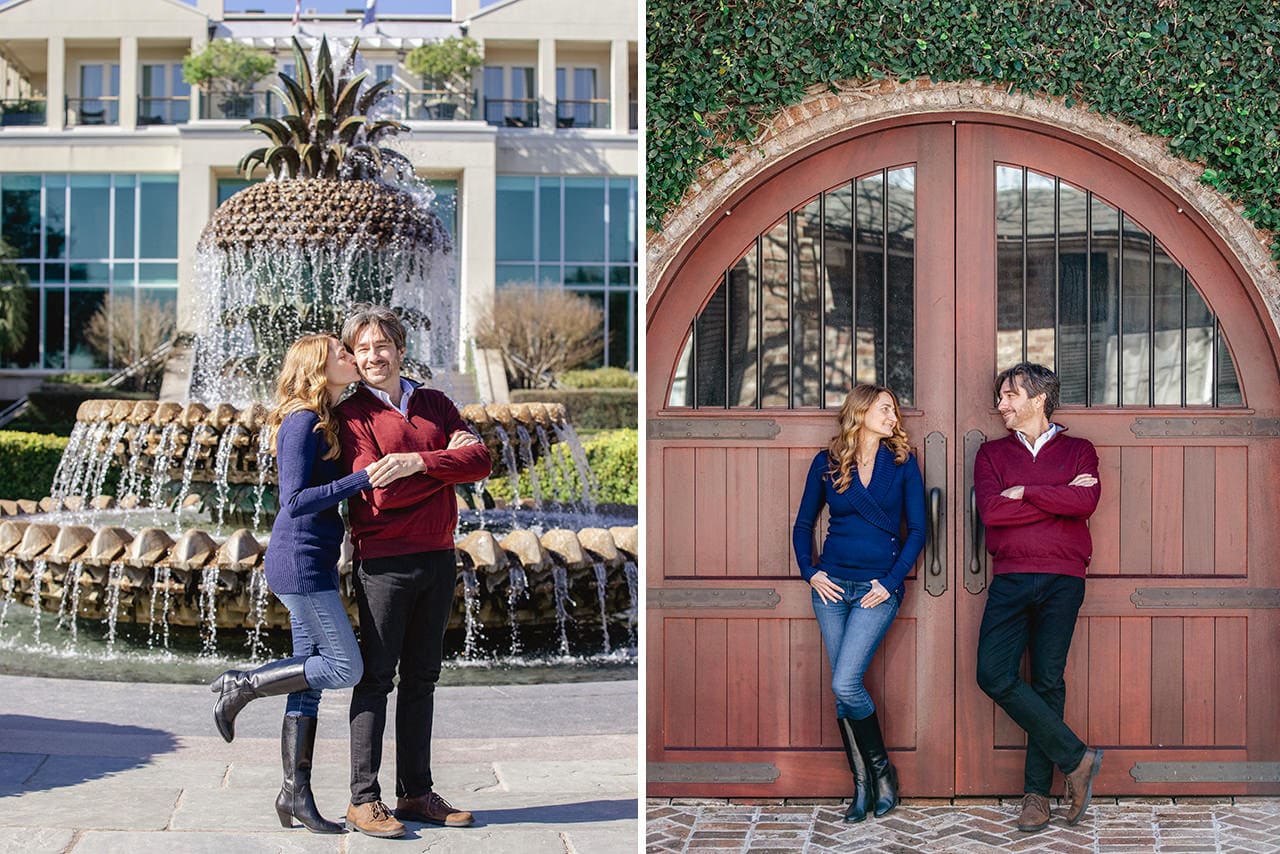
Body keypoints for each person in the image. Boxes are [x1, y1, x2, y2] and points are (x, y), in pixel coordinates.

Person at [210, 334, 414, 833]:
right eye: (342, 354)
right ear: (318, 366)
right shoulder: (302, 420)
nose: (352, 358)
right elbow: (295, 500)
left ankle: (293, 796)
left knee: (308, 682)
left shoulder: (323, 419)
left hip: (315, 560)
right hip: (298, 562)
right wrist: (363, 479)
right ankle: (244, 684)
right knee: (345, 667)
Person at [335, 305, 492, 839]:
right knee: (376, 679)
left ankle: (416, 793)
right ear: (353, 359)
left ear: (400, 349)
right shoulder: (351, 413)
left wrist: (418, 462)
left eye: (382, 346)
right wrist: (444, 465)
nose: (374, 356)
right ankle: (363, 800)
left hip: (437, 555)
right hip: (383, 561)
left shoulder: (434, 402)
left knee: (423, 678)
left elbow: (481, 462)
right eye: (362, 349)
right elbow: (379, 490)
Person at [973, 362, 1103, 833]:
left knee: (1047, 682)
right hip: (1010, 577)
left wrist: (1026, 491)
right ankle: (1076, 757)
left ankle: (1037, 796)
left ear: (1038, 398)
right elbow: (992, 513)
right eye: (1001, 395)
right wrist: (1057, 500)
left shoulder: (1079, 450)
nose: (1001, 404)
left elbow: (1085, 504)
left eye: (1010, 395)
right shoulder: (990, 455)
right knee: (993, 673)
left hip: (1063, 577)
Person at [792, 384, 925, 823]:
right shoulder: (827, 463)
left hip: (875, 590)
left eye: (895, 410)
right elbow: (803, 524)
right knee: (842, 690)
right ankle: (863, 784)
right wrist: (811, 573)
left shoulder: (902, 463)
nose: (894, 416)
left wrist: (890, 583)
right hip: (832, 589)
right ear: (862, 411)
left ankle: (883, 775)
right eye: (886, 408)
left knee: (845, 684)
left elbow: (919, 531)